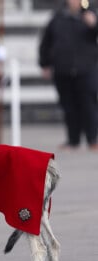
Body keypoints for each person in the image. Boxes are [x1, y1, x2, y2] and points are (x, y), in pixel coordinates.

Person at [39, 0, 98, 151]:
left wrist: (94, 24)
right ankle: (73, 140)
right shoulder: (58, 17)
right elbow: (46, 41)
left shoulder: (90, 16)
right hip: (63, 69)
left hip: (86, 69)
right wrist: (44, 63)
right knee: (69, 106)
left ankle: (93, 139)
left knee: (89, 105)